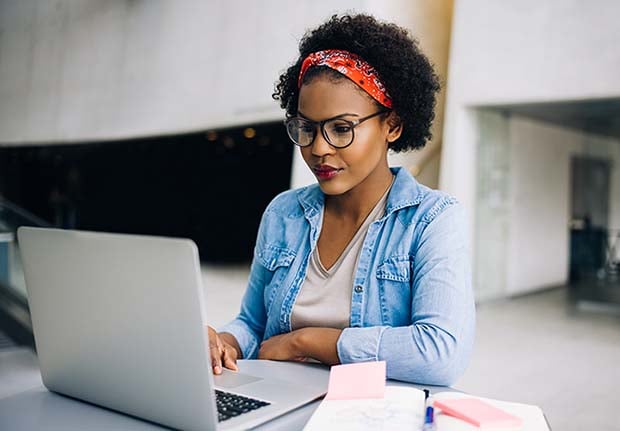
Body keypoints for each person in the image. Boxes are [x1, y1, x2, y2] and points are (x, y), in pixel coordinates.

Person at [207, 13, 475, 385]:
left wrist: (310, 341)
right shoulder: (283, 213)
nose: (318, 148)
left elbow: (440, 352)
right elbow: (253, 324)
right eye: (307, 128)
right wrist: (226, 342)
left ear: (392, 126)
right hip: (278, 399)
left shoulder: (431, 219)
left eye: (341, 128)